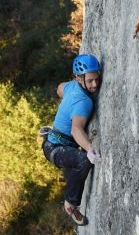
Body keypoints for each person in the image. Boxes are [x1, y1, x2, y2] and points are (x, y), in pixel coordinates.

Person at [42, 54, 102, 226]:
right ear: (79, 77)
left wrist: (66, 97)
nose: (95, 85)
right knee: (83, 160)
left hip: (54, 143)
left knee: (75, 167)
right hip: (55, 148)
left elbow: (60, 88)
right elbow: (76, 129)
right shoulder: (84, 102)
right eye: (90, 81)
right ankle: (71, 204)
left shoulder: (72, 86)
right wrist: (90, 149)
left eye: (96, 79)